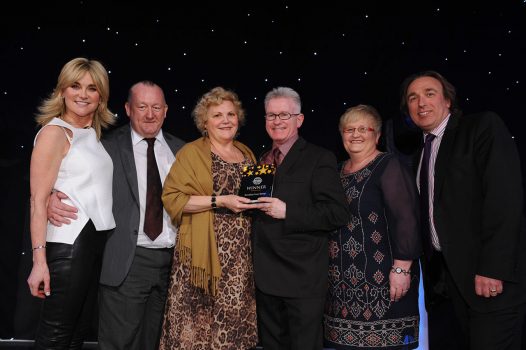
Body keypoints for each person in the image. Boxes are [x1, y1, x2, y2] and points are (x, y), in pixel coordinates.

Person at [47, 80, 185, 349]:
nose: (149, 114)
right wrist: (51, 193)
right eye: (142, 106)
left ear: (166, 110)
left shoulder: (182, 150)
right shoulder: (105, 148)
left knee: (159, 343)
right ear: (128, 109)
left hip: (174, 264)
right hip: (127, 262)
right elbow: (72, 173)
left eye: (156, 107)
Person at [401, 70, 526, 350]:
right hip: (452, 285)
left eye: (429, 94)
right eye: (413, 97)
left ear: (448, 101)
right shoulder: (420, 153)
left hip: (491, 280)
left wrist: (493, 268)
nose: (421, 102)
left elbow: (504, 200)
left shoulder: (481, 127)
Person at [159, 87, 258, 349]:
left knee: (232, 324)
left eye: (230, 114)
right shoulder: (191, 153)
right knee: (196, 328)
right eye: (217, 115)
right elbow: (173, 199)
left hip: (239, 258)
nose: (225, 120)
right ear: (205, 122)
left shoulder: (247, 154)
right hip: (201, 258)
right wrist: (220, 200)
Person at [27, 57, 116, 349]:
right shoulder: (55, 132)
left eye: (92, 88)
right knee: (55, 337)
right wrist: (39, 262)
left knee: (75, 336)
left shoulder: (90, 135)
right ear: (62, 90)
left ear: (100, 96)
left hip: (91, 247)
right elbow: (38, 200)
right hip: (69, 246)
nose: (83, 94)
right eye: (75, 86)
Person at [251, 87, 349, 349]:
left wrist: (288, 212)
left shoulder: (320, 158)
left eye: (284, 114)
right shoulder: (260, 160)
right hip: (264, 277)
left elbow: (337, 213)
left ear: (299, 119)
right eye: (271, 115)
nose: (277, 121)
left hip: (302, 280)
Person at [323, 105, 421, 349]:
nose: (355, 134)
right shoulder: (335, 171)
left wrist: (402, 268)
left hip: (385, 283)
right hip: (340, 288)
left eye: (363, 129)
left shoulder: (389, 165)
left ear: (377, 135)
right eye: (349, 129)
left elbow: (406, 218)